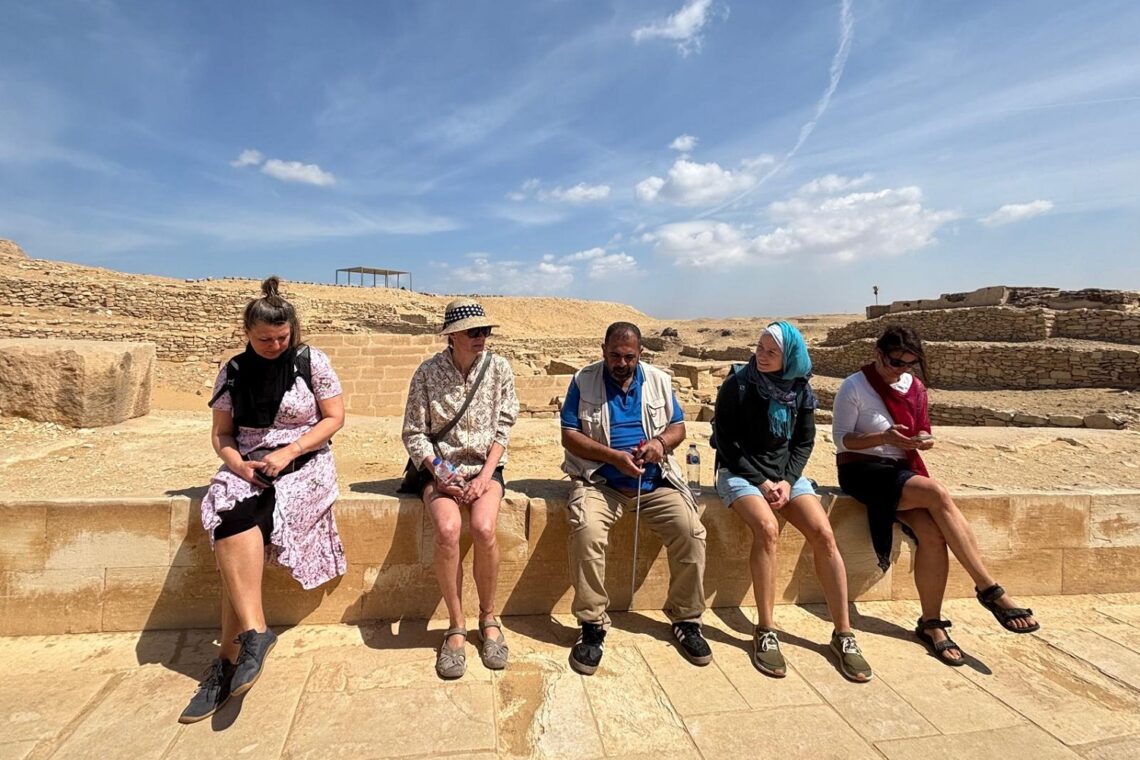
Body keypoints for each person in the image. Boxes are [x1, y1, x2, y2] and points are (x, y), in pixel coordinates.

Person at [180, 276, 346, 723]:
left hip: (305, 461)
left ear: (293, 330)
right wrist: (239, 466)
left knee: (254, 521)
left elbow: (334, 419)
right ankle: (253, 637)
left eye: (281, 337)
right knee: (230, 515)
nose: (274, 345)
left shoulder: (312, 361)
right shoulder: (233, 371)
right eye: (264, 339)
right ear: (247, 334)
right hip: (248, 463)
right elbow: (222, 434)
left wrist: (289, 450)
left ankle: (227, 662)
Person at [833, 325, 1040, 666]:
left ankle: (931, 625)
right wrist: (883, 438)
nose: (900, 369)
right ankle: (989, 589)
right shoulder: (854, 386)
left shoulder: (914, 387)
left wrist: (921, 439)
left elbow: (923, 428)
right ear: (877, 352)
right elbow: (844, 441)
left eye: (907, 364)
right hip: (862, 470)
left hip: (901, 469)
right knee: (937, 493)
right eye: (894, 361)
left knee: (931, 535)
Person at [713, 322, 873, 682]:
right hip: (740, 471)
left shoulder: (800, 389)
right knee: (767, 529)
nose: (762, 356)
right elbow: (726, 443)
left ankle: (843, 633)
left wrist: (786, 481)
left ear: (790, 358)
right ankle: (766, 629)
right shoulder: (738, 385)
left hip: (786, 475)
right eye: (760, 348)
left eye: (772, 352)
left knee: (823, 534)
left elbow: (803, 442)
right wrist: (763, 481)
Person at [560, 321, 711, 675]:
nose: (621, 363)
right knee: (586, 532)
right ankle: (592, 625)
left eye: (629, 356)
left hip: (655, 484)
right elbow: (569, 434)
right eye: (614, 355)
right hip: (601, 482)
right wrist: (613, 457)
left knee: (691, 531)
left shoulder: (657, 380)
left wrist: (659, 445)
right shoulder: (584, 380)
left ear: (640, 354)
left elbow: (677, 427)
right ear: (603, 350)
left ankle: (686, 619)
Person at [402, 299, 519, 679]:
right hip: (439, 470)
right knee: (449, 530)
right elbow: (414, 433)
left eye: (485, 331)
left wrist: (486, 476)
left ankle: (488, 619)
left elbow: (503, 427)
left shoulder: (499, 369)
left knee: (484, 529)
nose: (482, 337)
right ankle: (455, 625)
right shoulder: (427, 373)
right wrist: (439, 472)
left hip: (484, 468)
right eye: (474, 331)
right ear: (452, 336)